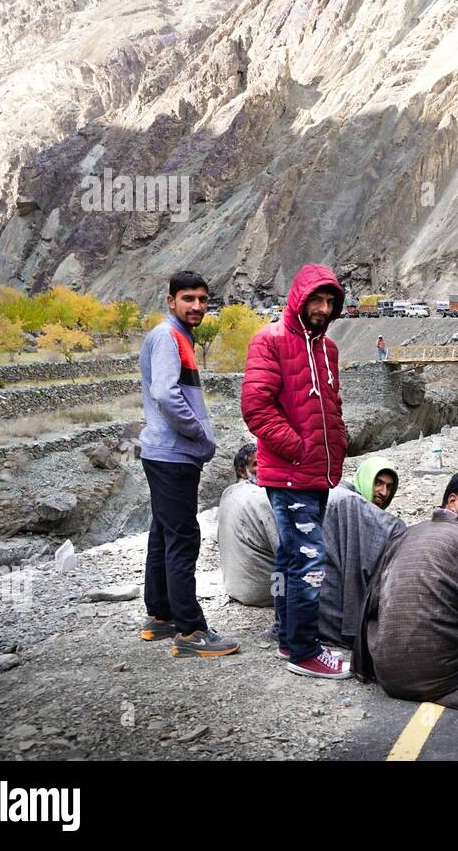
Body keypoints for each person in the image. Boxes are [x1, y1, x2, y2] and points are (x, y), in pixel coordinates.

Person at [242, 263, 350, 679]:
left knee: (289, 558)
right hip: (289, 472)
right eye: (316, 300)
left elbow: (330, 405)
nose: (323, 308)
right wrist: (299, 448)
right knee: (308, 559)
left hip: (317, 471)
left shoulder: (328, 349)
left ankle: (287, 637)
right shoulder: (269, 341)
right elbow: (256, 407)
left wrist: (336, 442)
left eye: (330, 301)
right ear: (299, 299)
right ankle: (306, 651)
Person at [354, 472, 458, 708]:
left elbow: (371, 604)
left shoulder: (406, 534)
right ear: (453, 501)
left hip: (388, 675)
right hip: (439, 676)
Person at [139, 271, 238, 658]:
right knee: (183, 539)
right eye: (188, 299)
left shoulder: (175, 335)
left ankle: (160, 616)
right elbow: (165, 393)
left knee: (163, 534)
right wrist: (200, 434)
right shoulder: (168, 336)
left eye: (202, 299)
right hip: (173, 454)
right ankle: (191, 630)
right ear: (171, 301)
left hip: (162, 453)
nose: (197, 306)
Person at [318, 482, 405, 649]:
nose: (383, 492)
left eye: (389, 487)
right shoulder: (349, 505)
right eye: (378, 484)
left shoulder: (372, 522)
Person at [216, 444, 283, 606]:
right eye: (257, 464)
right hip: (266, 590)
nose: (265, 467)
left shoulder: (228, 493)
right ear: (241, 471)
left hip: (235, 586)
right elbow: (285, 550)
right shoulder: (261, 498)